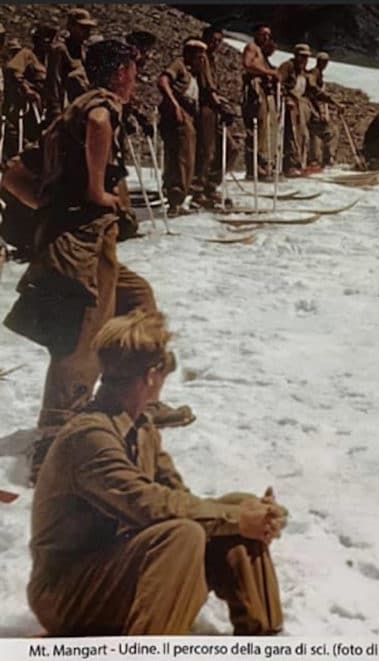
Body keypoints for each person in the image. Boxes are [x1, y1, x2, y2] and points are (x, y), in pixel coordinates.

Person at [2, 40, 193, 482]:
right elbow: (100, 123)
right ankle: (53, 447)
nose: (135, 81)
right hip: (81, 247)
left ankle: (130, 398)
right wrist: (92, 192)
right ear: (120, 72)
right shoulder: (100, 105)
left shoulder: (68, 115)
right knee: (80, 341)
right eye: (133, 73)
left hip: (87, 244)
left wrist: (50, 208)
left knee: (137, 301)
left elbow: (12, 173)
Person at [28, 309, 287, 636]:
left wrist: (251, 515)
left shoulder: (141, 427)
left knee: (234, 507)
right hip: (66, 593)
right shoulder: (90, 436)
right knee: (185, 534)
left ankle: (263, 640)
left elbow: (179, 500)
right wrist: (237, 518)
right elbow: (146, 505)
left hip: (115, 571)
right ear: (151, 375)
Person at [157, 38, 205, 216]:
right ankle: (175, 200)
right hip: (179, 114)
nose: (202, 60)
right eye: (199, 56)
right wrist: (175, 105)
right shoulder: (179, 66)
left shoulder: (194, 73)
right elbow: (163, 81)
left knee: (186, 156)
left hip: (189, 114)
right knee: (182, 157)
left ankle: (178, 197)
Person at [192, 25, 236, 208]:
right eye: (213, 40)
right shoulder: (202, 58)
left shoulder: (212, 59)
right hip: (205, 108)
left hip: (214, 108)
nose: (215, 44)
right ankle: (198, 191)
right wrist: (219, 104)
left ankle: (210, 185)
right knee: (207, 150)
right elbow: (207, 87)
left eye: (219, 41)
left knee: (230, 148)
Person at [2, 24, 54, 161]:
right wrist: (27, 89)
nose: (48, 43)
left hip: (44, 106)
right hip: (30, 108)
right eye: (45, 40)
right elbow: (13, 70)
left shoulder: (48, 60)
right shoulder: (26, 54)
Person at [44, 8, 96, 122]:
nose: (87, 32)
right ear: (71, 27)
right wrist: (55, 112)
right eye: (83, 28)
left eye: (89, 29)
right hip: (66, 108)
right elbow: (54, 81)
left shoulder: (83, 50)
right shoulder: (59, 50)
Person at [241, 24, 278, 180]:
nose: (266, 38)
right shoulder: (252, 47)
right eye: (263, 34)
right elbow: (247, 64)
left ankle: (263, 164)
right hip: (255, 90)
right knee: (256, 126)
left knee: (266, 127)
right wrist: (269, 72)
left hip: (264, 90)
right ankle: (254, 167)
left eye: (268, 35)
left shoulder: (262, 53)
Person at [276, 44, 312, 177]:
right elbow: (278, 83)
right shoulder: (288, 67)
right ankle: (288, 165)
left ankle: (298, 163)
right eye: (302, 56)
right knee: (290, 135)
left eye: (306, 57)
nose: (304, 59)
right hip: (288, 106)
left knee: (301, 135)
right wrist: (286, 98)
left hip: (298, 106)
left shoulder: (303, 72)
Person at [305, 52, 337, 170]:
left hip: (315, 108)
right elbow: (313, 87)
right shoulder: (315, 72)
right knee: (329, 132)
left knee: (315, 134)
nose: (324, 64)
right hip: (311, 108)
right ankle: (324, 160)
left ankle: (315, 159)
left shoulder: (318, 73)